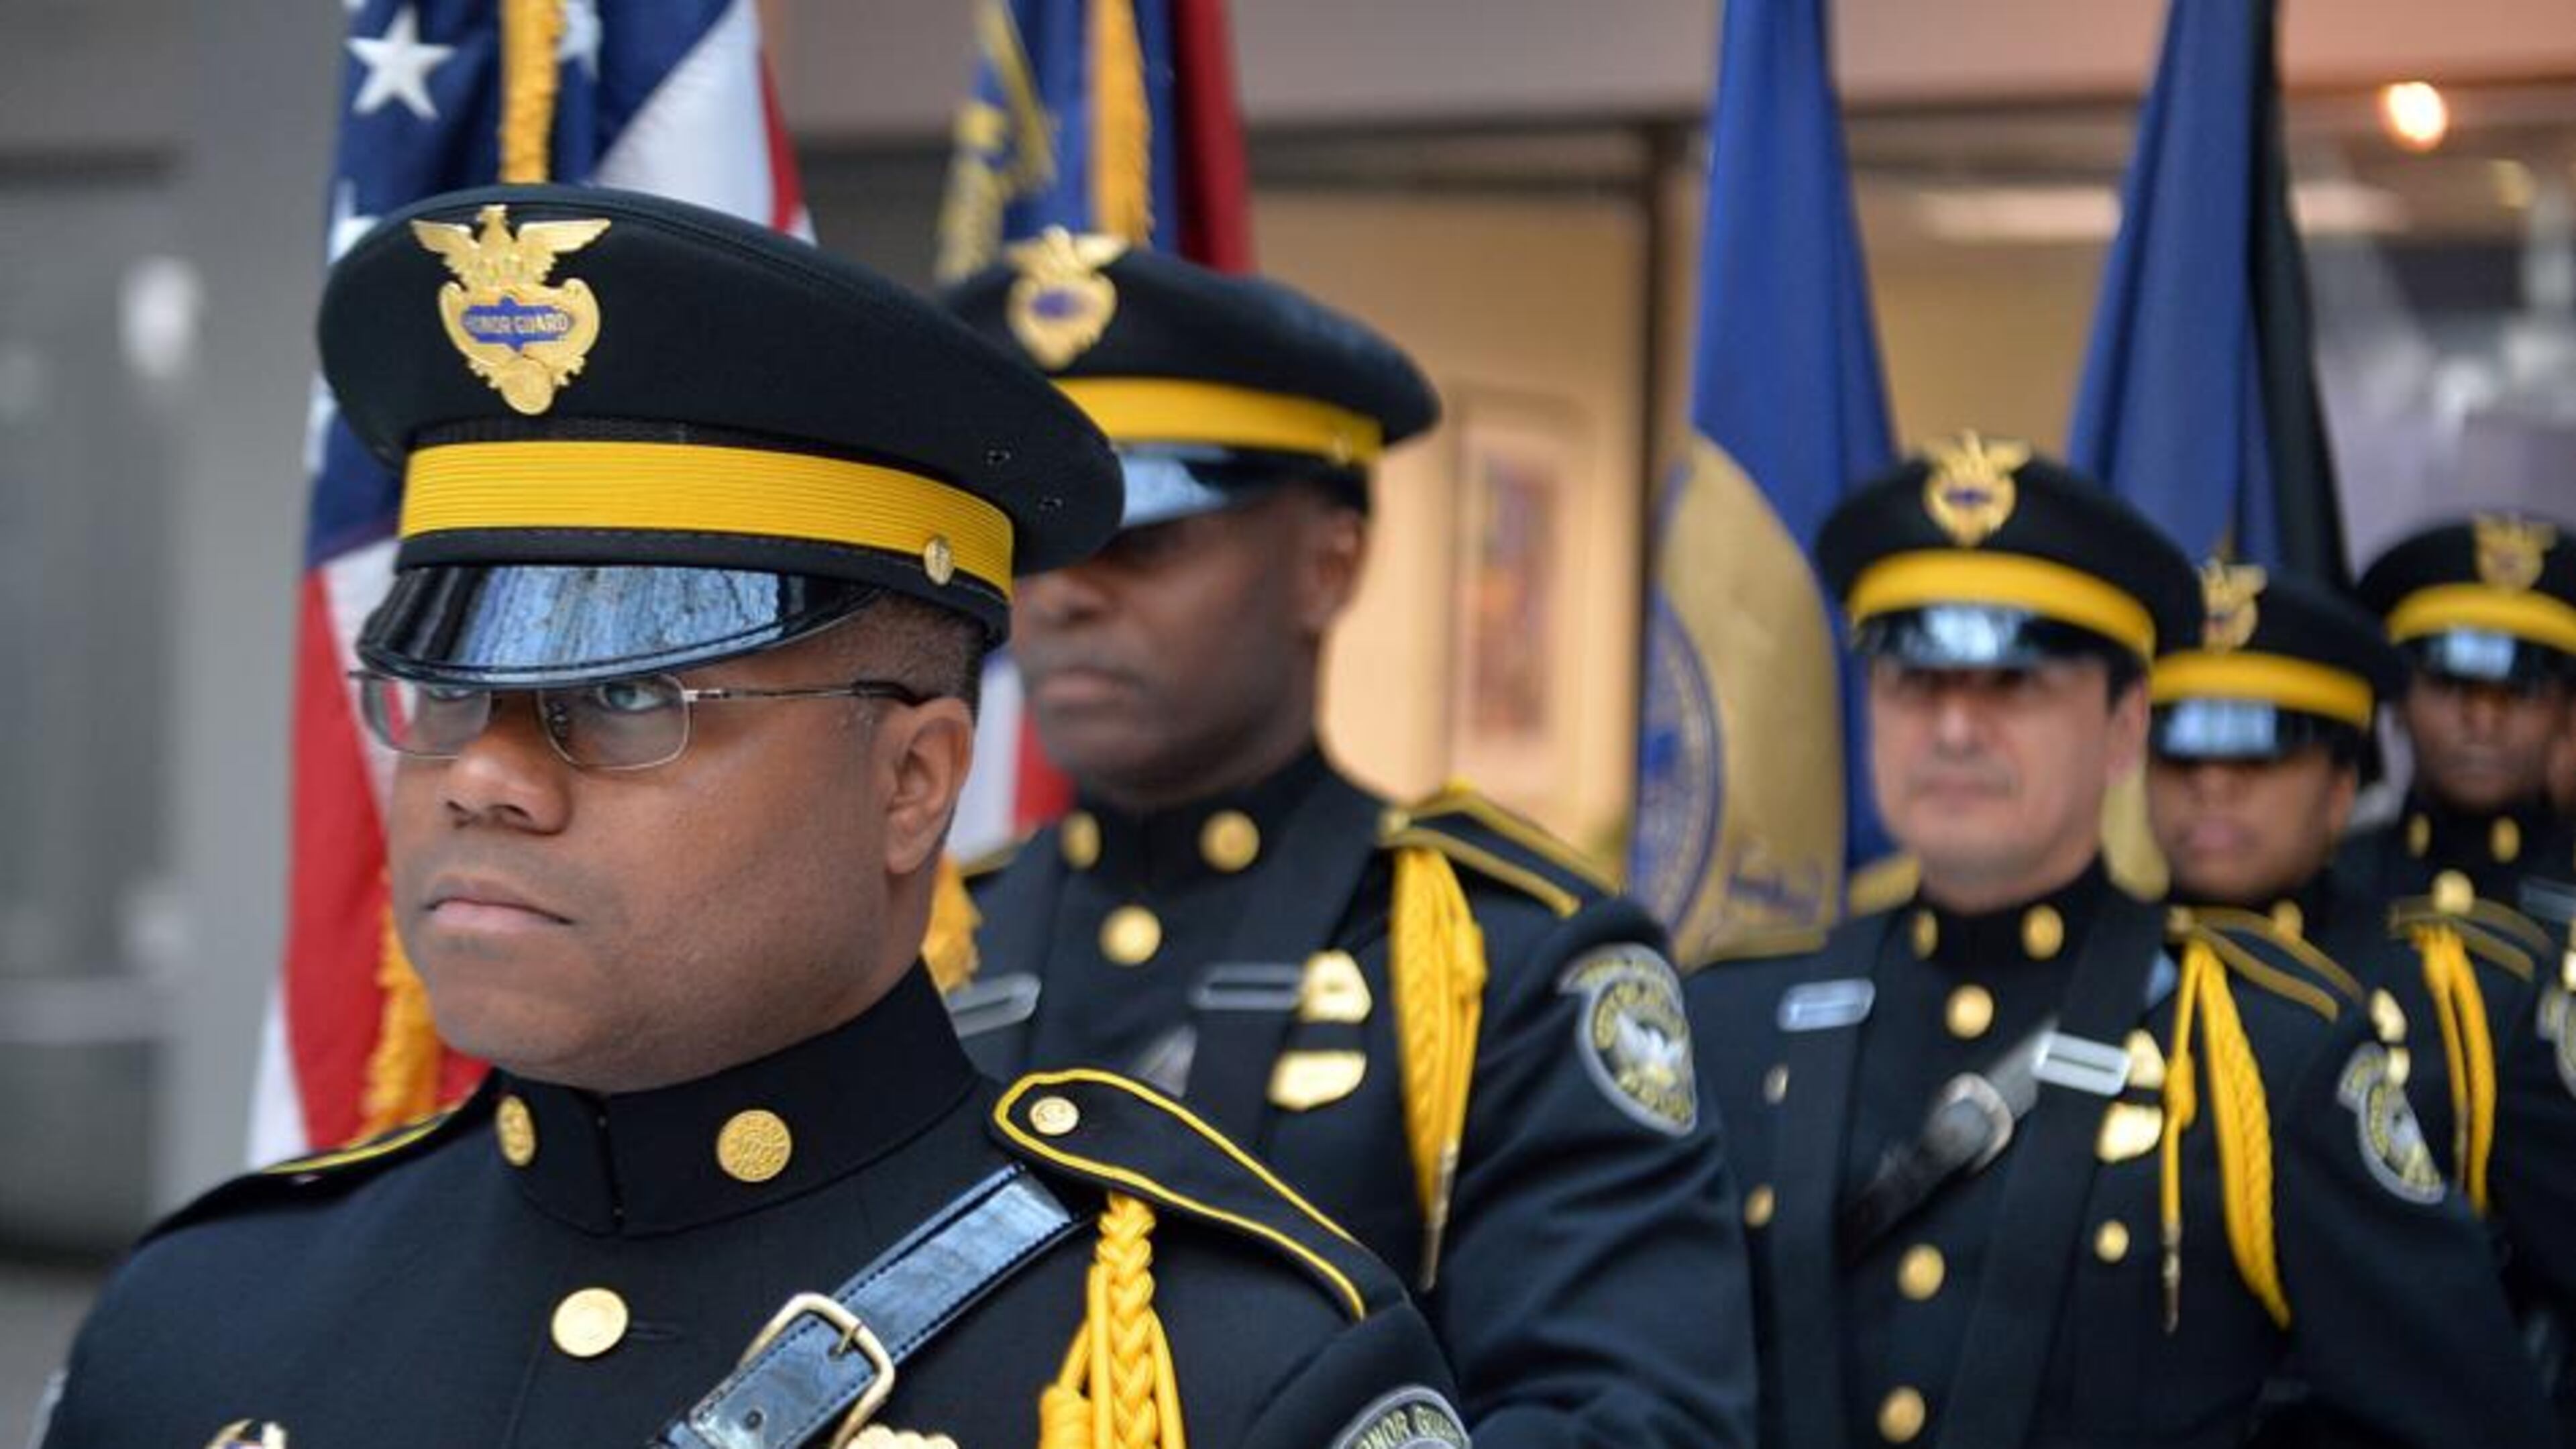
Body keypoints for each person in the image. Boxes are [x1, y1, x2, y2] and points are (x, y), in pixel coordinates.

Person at [34, 185, 1467, 1449]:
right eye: (448, 694)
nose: (482, 776)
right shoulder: (204, 1315)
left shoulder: (1200, 1377)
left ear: (912, 782)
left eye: (634, 699)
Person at [935, 233, 1757, 1447]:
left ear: (1328, 565)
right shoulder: (933, 935)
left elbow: (1633, 1421)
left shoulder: (1504, 964)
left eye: (1141, 542)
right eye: (1042, 547)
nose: (1067, 595)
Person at [1686, 436, 2553, 1448]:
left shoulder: (2267, 1050)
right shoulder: (1736, 1022)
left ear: (2124, 726)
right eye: (1916, 680)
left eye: (2015, 682)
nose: (1956, 729)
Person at [2144, 560, 2576, 1440]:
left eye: (2262, 747)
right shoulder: (2095, 985)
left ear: (2343, 789)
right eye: (2181, 746)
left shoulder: (2465, 995)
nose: (2213, 784)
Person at [2340, 514, 2576, 907]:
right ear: (2397, 701)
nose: (2483, 721)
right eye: (2449, 685)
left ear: (2567, 712)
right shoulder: (2328, 889)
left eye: (2521, 691)